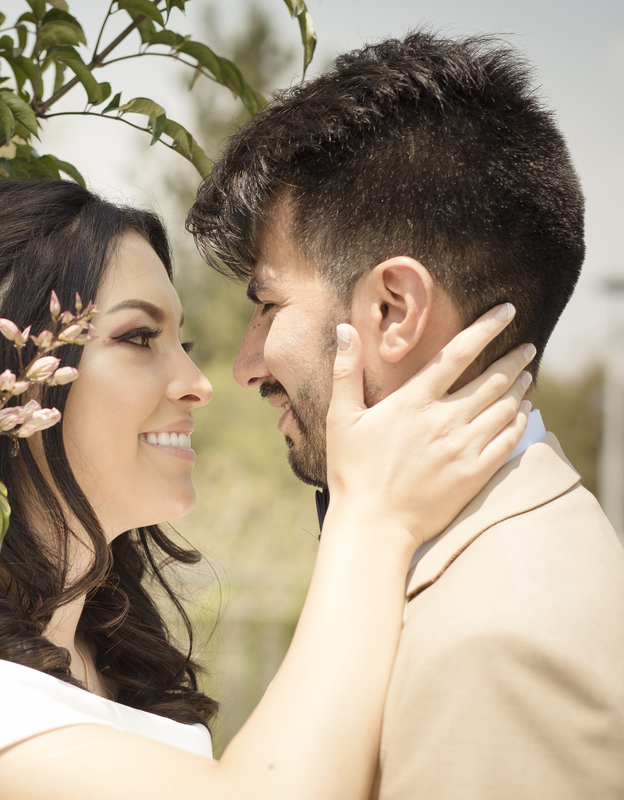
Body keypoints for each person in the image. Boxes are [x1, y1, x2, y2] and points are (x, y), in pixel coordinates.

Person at [0, 178, 533, 800]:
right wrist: (373, 520)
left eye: (184, 343)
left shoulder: (103, 660)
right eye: (139, 339)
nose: (199, 384)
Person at [187, 32, 624, 800]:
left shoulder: (493, 644)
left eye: (267, 305)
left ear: (393, 309)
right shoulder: (472, 554)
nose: (243, 365)